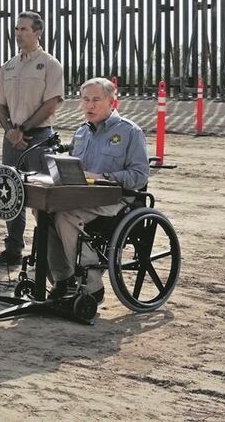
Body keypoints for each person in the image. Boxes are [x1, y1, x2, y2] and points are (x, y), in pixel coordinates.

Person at [45, 77, 150, 301]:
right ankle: (63, 279)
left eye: (96, 100)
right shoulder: (81, 133)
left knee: (65, 216)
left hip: (116, 199)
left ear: (112, 102)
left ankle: (92, 286)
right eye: (85, 100)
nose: (89, 106)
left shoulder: (130, 132)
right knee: (44, 209)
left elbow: (140, 176)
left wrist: (104, 177)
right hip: (82, 197)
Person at [0, 11, 64, 267]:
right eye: (16, 29)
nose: (18, 34)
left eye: (24, 29)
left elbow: (51, 103)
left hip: (39, 139)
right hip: (12, 139)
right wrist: (11, 130)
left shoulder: (50, 65)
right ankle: (13, 250)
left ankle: (47, 254)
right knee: (11, 194)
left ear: (37, 33)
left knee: (43, 198)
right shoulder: (8, 66)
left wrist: (23, 129)